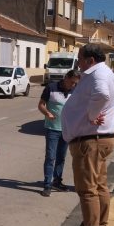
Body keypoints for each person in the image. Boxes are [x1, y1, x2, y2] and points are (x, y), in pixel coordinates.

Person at [61, 43, 114, 226]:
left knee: (87, 190)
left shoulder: (98, 75)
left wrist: (92, 115)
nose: (78, 62)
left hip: (90, 141)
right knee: (100, 185)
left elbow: (102, 95)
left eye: (79, 58)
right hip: (99, 139)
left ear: (90, 60)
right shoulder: (104, 73)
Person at [38, 69, 81, 197]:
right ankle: (47, 185)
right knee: (50, 157)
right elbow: (41, 105)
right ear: (66, 78)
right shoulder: (51, 88)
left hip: (66, 130)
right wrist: (47, 113)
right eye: (72, 82)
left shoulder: (75, 90)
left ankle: (57, 181)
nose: (73, 85)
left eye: (75, 83)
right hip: (52, 129)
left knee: (61, 157)